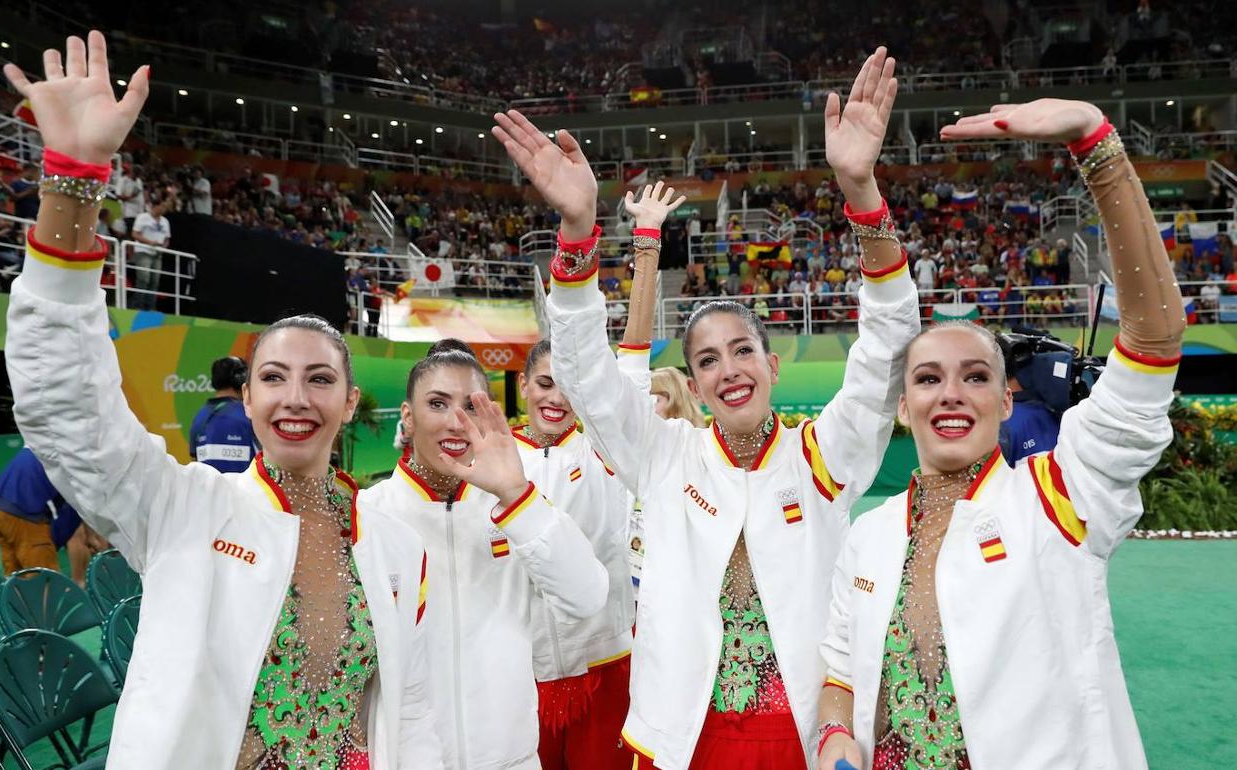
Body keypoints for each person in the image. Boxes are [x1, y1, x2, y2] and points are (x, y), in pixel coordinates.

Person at [1, 32, 442, 768]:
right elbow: (64, 403)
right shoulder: (183, 509)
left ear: (350, 400)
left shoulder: (394, 544)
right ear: (246, 396)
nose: (295, 397)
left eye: (319, 378)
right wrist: (72, 180)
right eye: (273, 377)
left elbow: (412, 708)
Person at [493, 45, 919, 768]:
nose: (729, 371)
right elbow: (587, 372)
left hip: (806, 738)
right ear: (691, 382)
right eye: (708, 360)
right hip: (680, 738)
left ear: (772, 365)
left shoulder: (823, 456)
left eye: (743, 351)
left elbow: (886, 350)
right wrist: (575, 237)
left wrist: (862, 192)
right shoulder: (664, 457)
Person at [817, 99, 1185, 770]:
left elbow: (1155, 341)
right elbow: (839, 669)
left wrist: (1095, 144)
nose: (951, 393)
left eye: (975, 377)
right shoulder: (866, 537)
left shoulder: (1060, 501)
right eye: (928, 378)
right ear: (903, 407)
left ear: (1007, 400)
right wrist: (834, 734)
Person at [361, 344, 608, 768]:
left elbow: (587, 598)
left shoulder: (517, 504)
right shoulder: (370, 514)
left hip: (510, 758)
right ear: (407, 415)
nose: (457, 421)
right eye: (437, 403)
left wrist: (515, 496)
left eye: (471, 406)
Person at [514, 339, 636, 770]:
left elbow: (632, 386)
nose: (557, 398)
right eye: (546, 383)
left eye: (569, 386)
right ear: (524, 384)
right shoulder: (493, 459)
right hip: (522, 671)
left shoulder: (603, 451)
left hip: (603, 661)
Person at [0, 446, 69, 574]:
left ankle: (18, 593)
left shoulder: (34, 446)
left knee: (14, 569)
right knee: (43, 575)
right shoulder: (67, 456)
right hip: (24, 512)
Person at [189, 356, 257, 474]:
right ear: (240, 379)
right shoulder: (250, 414)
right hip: (245, 492)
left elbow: (195, 460)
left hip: (208, 492)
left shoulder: (199, 418)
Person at [129, 197, 170, 309]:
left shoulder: (165, 221)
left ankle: (150, 307)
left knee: (154, 281)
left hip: (158, 254)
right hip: (143, 251)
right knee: (143, 279)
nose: (164, 209)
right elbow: (135, 234)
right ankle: (138, 306)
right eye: (162, 207)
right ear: (154, 206)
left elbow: (167, 239)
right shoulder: (143, 217)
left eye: (165, 207)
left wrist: (164, 246)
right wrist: (150, 242)